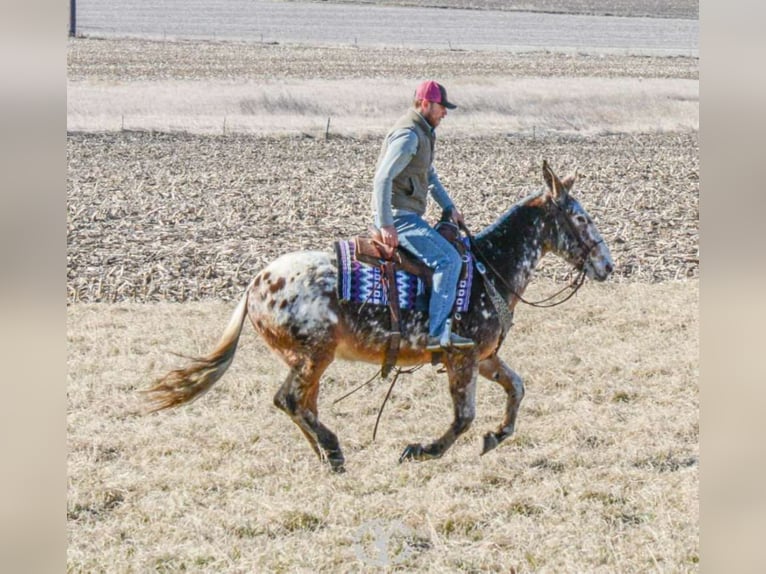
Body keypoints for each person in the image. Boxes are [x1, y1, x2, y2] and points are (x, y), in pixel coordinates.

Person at [371, 80, 475, 351]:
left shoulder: (424, 132)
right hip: (401, 219)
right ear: (425, 104)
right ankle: (437, 334)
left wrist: (450, 208)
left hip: (408, 215)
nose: (445, 113)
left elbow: (428, 176)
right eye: (442, 107)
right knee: (449, 261)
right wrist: (386, 224)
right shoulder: (409, 136)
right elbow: (382, 179)